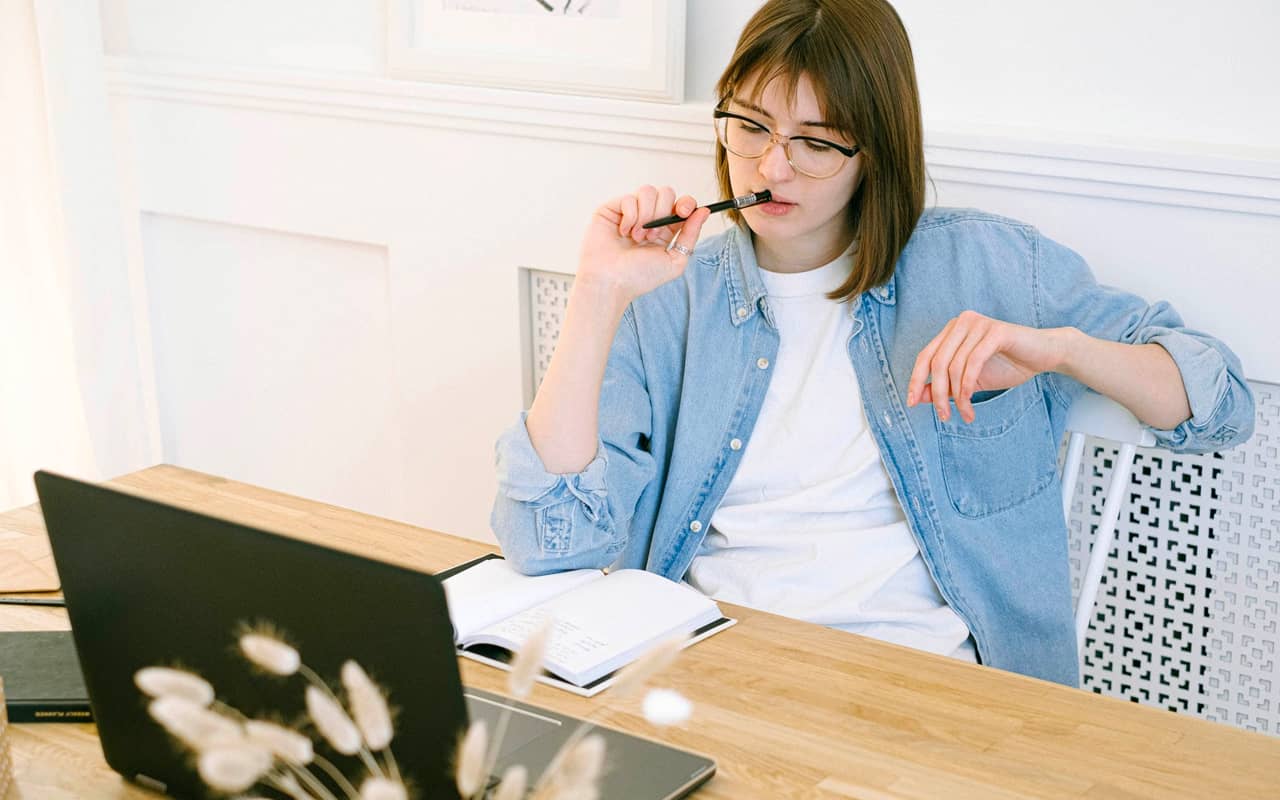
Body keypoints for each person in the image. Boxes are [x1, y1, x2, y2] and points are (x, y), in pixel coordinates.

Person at [489, 0, 1255, 686]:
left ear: (877, 152)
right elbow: (547, 541)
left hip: (924, 682)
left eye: (816, 143)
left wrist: (1062, 351)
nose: (770, 165)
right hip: (711, 666)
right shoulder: (672, 294)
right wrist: (596, 293)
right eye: (750, 125)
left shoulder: (986, 265)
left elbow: (1221, 402)